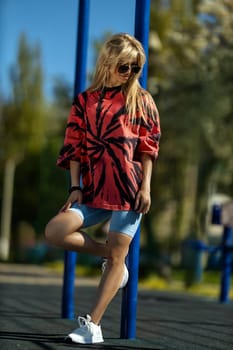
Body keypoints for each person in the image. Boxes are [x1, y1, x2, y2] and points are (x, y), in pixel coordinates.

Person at [45, 32, 161, 344]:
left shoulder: (142, 100)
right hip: (94, 191)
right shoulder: (84, 102)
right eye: (125, 67)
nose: (131, 74)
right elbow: (74, 147)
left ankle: (92, 326)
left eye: (136, 68)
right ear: (108, 62)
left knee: (119, 255)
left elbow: (148, 150)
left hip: (129, 191)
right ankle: (112, 257)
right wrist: (74, 187)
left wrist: (146, 188)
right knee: (55, 231)